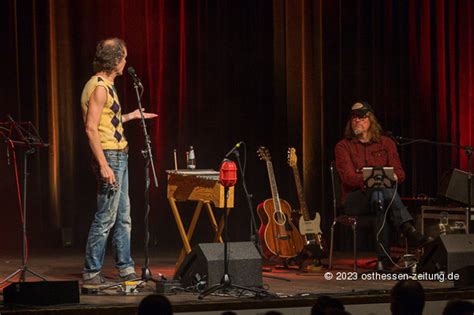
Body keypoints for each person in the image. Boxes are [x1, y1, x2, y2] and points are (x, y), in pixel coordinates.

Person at [81, 38, 157, 285]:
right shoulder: (100, 87)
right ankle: (92, 271)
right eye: (123, 57)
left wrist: (133, 115)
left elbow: (108, 121)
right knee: (106, 217)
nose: (126, 62)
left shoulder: (107, 85)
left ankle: (125, 267)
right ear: (114, 60)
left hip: (119, 153)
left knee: (124, 215)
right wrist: (103, 164)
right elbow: (91, 128)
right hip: (109, 155)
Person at [335, 102, 432, 269]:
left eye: (361, 117)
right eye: (353, 118)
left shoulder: (386, 143)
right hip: (355, 199)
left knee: (379, 199)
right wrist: (377, 177)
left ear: (370, 119)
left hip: (380, 200)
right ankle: (408, 229)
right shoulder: (343, 146)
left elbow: (400, 174)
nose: (357, 121)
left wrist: (380, 176)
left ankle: (383, 261)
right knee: (380, 188)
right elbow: (349, 178)